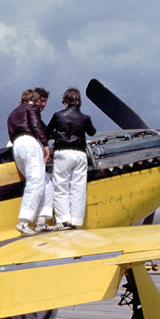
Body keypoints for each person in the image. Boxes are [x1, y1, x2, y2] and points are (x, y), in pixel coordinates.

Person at [45, 87, 96, 229]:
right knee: (78, 188)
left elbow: (47, 133)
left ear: (65, 100)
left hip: (62, 153)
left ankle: (63, 220)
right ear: (78, 101)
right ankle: (76, 220)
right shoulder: (85, 118)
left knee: (61, 187)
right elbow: (92, 132)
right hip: (80, 153)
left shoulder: (58, 116)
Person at [7, 89, 52, 234]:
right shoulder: (32, 107)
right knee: (36, 181)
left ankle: (41, 221)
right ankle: (23, 222)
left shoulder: (12, 114)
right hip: (30, 144)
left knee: (46, 183)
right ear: (34, 99)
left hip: (17, 146)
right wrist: (45, 144)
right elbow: (36, 125)